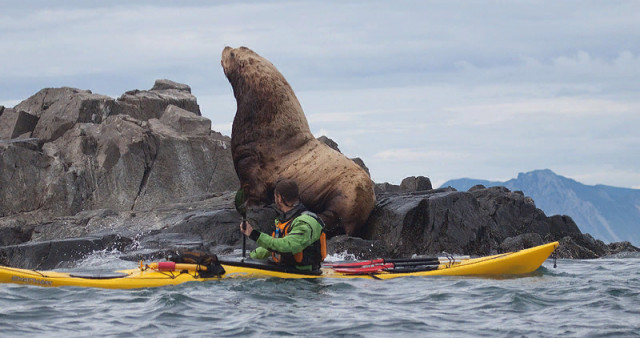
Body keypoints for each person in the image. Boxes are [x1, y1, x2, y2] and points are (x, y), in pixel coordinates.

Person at [239, 179, 326, 272]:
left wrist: (254, 234)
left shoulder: (306, 222)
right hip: (287, 270)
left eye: (275, 196)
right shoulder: (285, 219)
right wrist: (250, 257)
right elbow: (274, 244)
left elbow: (287, 246)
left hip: (306, 280)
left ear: (279, 198)